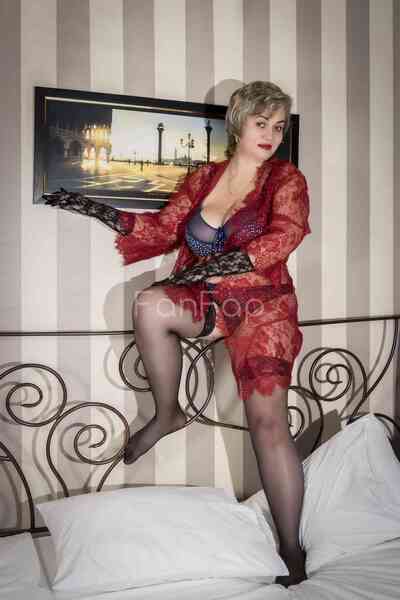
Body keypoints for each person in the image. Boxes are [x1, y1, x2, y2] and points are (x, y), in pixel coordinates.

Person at [44, 80, 311, 587]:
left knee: (268, 425)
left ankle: (291, 548)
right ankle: (168, 413)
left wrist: (208, 269)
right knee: (149, 303)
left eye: (279, 127)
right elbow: (161, 231)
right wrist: (91, 206)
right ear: (239, 124)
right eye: (262, 124)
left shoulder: (286, 179)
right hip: (208, 301)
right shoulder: (203, 178)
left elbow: (284, 238)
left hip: (263, 307)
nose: (271, 136)